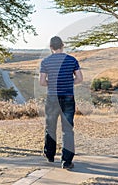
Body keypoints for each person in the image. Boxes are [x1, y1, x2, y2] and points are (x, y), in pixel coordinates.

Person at [39, 36, 83, 169]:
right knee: (67, 129)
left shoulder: (45, 61)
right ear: (62, 46)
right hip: (68, 98)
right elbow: (80, 78)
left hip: (52, 98)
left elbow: (41, 82)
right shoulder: (72, 60)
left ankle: (50, 155)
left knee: (50, 127)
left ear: (51, 48)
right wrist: (69, 83)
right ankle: (66, 161)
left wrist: (52, 84)